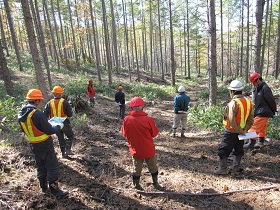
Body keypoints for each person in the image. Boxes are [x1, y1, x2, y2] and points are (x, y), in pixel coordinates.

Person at [18, 89, 68, 196]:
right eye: (39, 101)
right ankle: (55, 191)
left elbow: (25, 129)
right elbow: (49, 130)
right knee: (52, 167)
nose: (40, 103)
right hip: (45, 144)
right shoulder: (37, 114)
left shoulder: (22, 113)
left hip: (33, 145)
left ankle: (44, 188)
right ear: (36, 101)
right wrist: (59, 126)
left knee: (41, 166)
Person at [214, 80, 254, 175]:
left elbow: (231, 120)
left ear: (232, 92)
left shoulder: (233, 103)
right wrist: (244, 130)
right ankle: (236, 167)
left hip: (231, 132)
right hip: (242, 132)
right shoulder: (248, 102)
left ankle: (223, 169)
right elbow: (251, 119)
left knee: (223, 150)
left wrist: (239, 131)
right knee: (238, 149)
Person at [121, 97, 160, 190]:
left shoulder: (126, 119)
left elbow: (124, 133)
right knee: (153, 167)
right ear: (143, 107)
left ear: (131, 108)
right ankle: (156, 184)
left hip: (136, 150)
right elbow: (154, 134)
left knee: (136, 169)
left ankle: (137, 186)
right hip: (149, 149)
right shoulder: (149, 119)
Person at [243, 72, 277, 149]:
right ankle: (260, 141)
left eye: (253, 83)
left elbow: (271, 101)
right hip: (261, 111)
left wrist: (275, 111)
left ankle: (251, 144)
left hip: (263, 112)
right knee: (262, 127)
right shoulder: (259, 88)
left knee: (254, 128)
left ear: (257, 80)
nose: (253, 85)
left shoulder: (265, 88)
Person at [43, 86, 75, 158]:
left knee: (60, 138)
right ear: (61, 94)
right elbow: (70, 114)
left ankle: (63, 154)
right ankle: (68, 149)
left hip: (54, 124)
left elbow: (45, 115)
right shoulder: (64, 102)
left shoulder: (49, 103)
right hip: (64, 122)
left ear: (53, 94)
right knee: (70, 135)